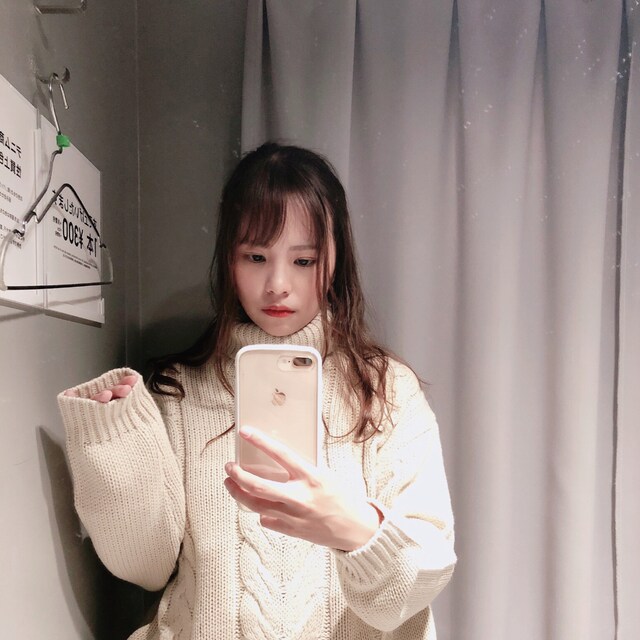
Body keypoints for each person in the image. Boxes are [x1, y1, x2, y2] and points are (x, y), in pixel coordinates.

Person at [58, 142, 456, 640]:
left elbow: (419, 580)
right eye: (256, 256)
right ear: (229, 259)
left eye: (304, 260)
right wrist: (113, 438)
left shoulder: (386, 389)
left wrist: (353, 527)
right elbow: (144, 566)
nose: (277, 284)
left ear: (336, 260)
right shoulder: (179, 390)